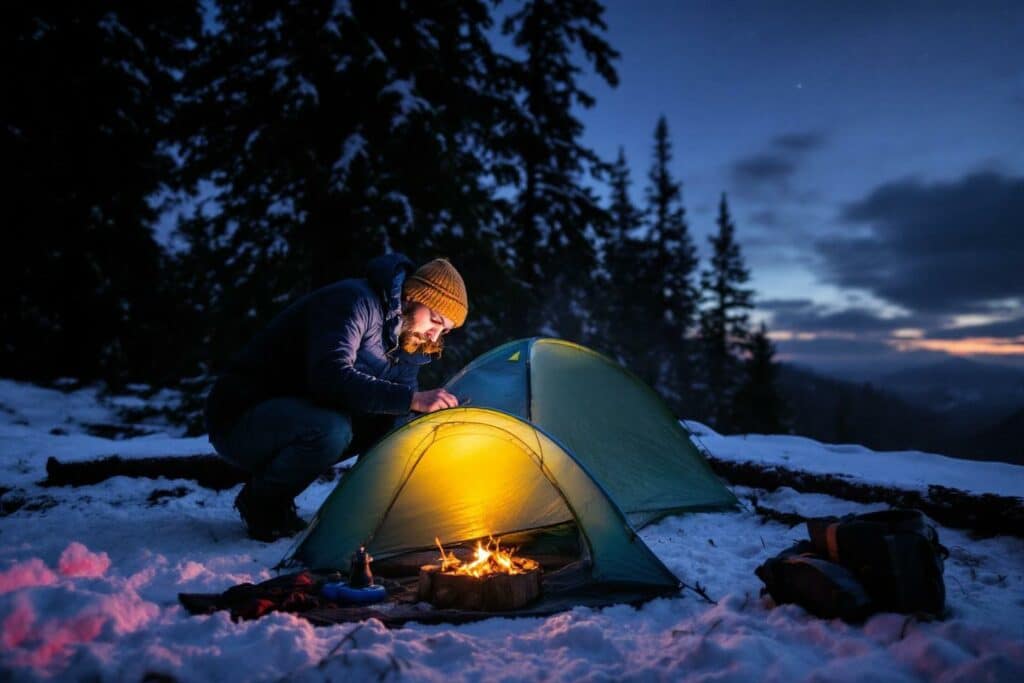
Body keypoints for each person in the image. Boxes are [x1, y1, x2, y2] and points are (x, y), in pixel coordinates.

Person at [204, 253, 467, 541]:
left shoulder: (409, 339)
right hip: (240, 416)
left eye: (445, 329)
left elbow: (398, 413)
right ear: (411, 297)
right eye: (435, 320)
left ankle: (368, 511)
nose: (434, 335)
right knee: (331, 430)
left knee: (389, 424)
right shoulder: (354, 301)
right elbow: (330, 376)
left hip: (299, 416)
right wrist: (413, 399)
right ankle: (261, 503)